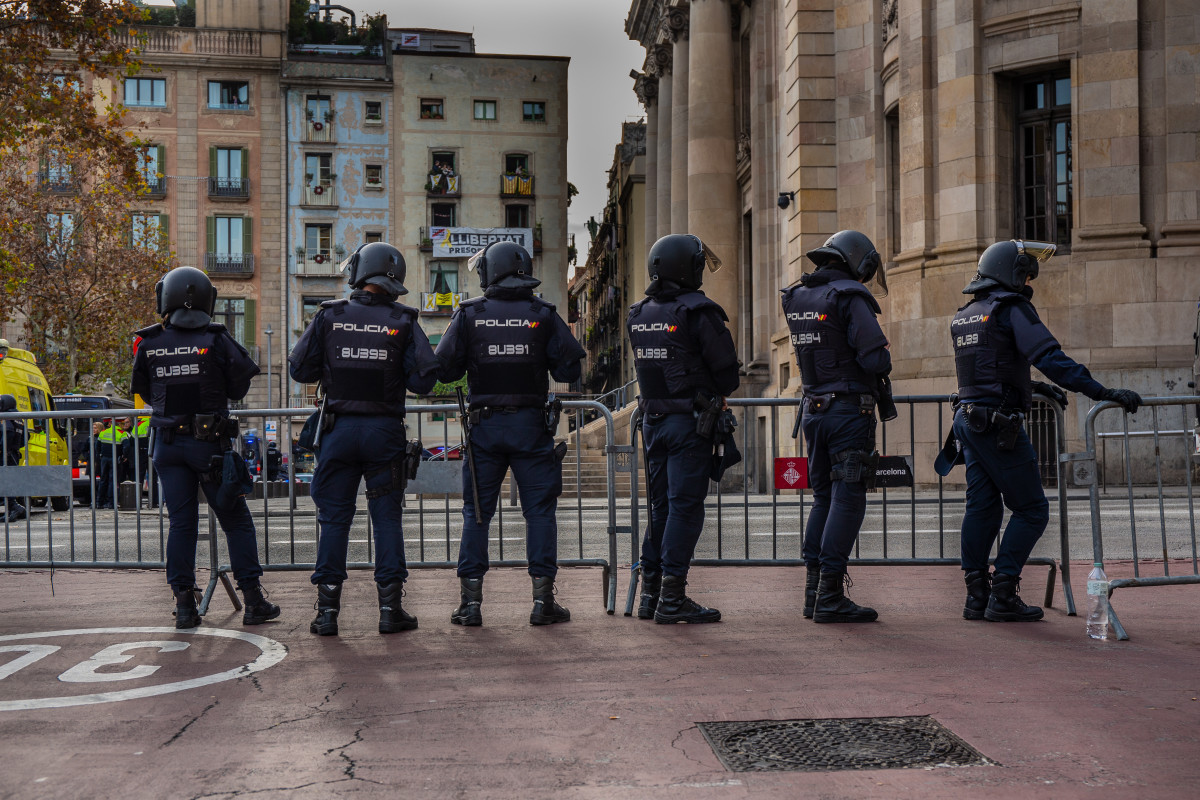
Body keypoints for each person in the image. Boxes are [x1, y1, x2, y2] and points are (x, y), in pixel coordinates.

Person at [950, 240, 1142, 621]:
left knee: (983, 507)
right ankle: (1002, 594)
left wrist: (1032, 388)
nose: (1026, 280)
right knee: (1033, 510)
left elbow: (989, 369)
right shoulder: (1011, 308)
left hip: (970, 420)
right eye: (1023, 273)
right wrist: (1100, 392)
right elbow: (1049, 357)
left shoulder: (967, 313)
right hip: (997, 425)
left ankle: (976, 596)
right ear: (1011, 273)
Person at [289, 242, 439, 636]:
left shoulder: (329, 316)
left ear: (358, 273)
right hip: (383, 433)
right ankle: (390, 611)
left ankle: (327, 614)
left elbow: (299, 369)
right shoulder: (403, 320)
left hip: (338, 432)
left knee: (334, 519)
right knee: (386, 518)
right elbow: (425, 380)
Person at [435, 240, 584, 627]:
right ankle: (542, 602)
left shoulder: (469, 314)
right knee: (539, 513)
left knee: (476, 514)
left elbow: (445, 370)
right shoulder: (542, 313)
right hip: (531, 427)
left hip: (484, 428)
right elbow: (570, 370)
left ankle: (470, 605)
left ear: (490, 271)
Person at [131, 266, 279, 630]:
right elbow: (240, 386)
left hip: (167, 446)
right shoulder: (216, 338)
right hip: (208, 446)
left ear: (165, 298)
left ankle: (184, 605)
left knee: (182, 524)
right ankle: (254, 601)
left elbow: (144, 390)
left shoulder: (149, 342)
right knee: (236, 521)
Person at [627, 233, 740, 624]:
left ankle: (651, 594)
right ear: (685, 268)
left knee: (661, 510)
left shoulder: (638, 314)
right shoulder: (698, 311)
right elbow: (728, 375)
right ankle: (672, 598)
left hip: (653, 423)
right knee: (684, 510)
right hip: (689, 425)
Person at [781, 230, 891, 624]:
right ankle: (829, 595)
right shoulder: (850, 296)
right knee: (848, 498)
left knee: (823, 499)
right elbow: (875, 358)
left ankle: (813, 593)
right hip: (847, 412)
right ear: (856, 261)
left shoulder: (798, 295)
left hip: (813, 410)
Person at [1, 394, 27, 523]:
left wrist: (3, 447)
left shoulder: (7, 417)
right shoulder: (18, 417)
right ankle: (13, 509)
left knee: (5, 482)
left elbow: (8, 432)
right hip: (13, 454)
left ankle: (15, 507)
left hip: (6, 454)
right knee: (8, 482)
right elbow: (25, 438)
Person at [95, 418, 127, 509]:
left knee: (103, 480)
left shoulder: (103, 432)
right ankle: (111, 503)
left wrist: (101, 454)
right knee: (112, 480)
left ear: (110, 423)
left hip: (104, 458)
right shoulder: (121, 433)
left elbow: (97, 446)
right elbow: (126, 446)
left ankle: (99, 502)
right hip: (115, 458)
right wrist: (124, 456)